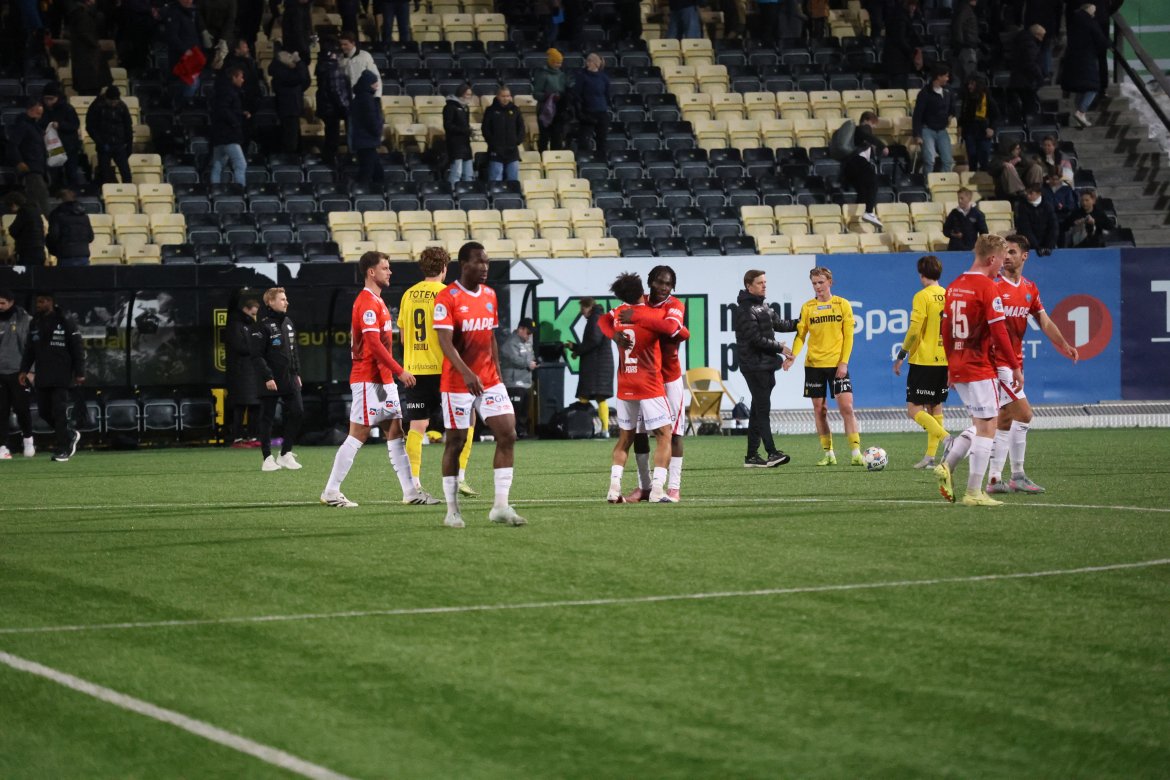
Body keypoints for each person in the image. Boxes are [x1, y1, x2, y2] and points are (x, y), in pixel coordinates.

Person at [321, 252, 438, 508]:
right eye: (385, 268)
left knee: (396, 432)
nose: (390, 271)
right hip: (368, 380)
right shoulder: (366, 302)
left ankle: (411, 492)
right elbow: (373, 344)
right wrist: (400, 370)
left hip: (383, 381)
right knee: (359, 434)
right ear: (371, 272)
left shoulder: (378, 301)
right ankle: (331, 491)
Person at [433, 242, 528, 528]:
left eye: (487, 262)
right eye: (479, 262)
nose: (485, 267)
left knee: (508, 433)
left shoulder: (489, 295)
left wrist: (496, 373)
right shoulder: (447, 297)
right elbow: (445, 342)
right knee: (456, 442)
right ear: (464, 265)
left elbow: (490, 337)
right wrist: (466, 373)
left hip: (488, 380)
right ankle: (452, 511)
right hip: (457, 382)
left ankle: (500, 506)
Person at [980, 234, 1079, 493]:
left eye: (1012, 252)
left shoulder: (1029, 289)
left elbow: (1044, 321)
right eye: (1004, 252)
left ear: (1025, 256)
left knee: (1004, 420)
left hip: (1014, 363)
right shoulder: (993, 286)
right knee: (1024, 414)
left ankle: (994, 480)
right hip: (996, 363)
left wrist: (1064, 344)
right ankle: (1017, 475)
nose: (1006, 257)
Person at [932, 234, 1022, 506]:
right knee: (987, 427)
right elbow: (1000, 333)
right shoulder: (987, 287)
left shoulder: (955, 285)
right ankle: (973, 492)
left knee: (980, 424)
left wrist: (950, 364)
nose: (1002, 266)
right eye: (1001, 260)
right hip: (980, 366)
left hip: (959, 365)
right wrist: (1015, 366)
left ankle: (948, 466)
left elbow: (945, 329)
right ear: (992, 258)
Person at [398, 246, 479, 499]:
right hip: (445, 370)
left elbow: (403, 338)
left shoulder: (408, 295)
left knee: (417, 426)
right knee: (467, 418)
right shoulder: (449, 294)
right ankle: (460, 477)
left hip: (415, 370)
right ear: (444, 268)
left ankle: (414, 486)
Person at [604, 265, 690, 500]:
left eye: (668, 284)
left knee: (673, 433)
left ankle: (673, 487)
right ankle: (646, 486)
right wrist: (614, 335)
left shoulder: (673, 305)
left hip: (668, 379)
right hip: (648, 380)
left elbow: (675, 329)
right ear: (649, 282)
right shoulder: (639, 302)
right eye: (659, 282)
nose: (663, 287)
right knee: (640, 434)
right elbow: (604, 321)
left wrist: (637, 318)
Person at [784, 267, 863, 466]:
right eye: (814, 283)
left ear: (830, 282)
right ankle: (828, 454)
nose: (817, 286)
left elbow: (849, 337)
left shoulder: (842, 304)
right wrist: (793, 356)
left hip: (837, 365)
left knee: (847, 407)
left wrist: (844, 362)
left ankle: (856, 453)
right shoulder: (808, 307)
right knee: (820, 410)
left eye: (821, 282)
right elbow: (801, 335)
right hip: (814, 365)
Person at [734, 270, 797, 468]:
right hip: (754, 366)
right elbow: (755, 339)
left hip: (765, 365)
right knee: (762, 411)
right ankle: (772, 453)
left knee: (757, 410)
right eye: (760, 283)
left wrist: (804, 320)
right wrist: (780, 347)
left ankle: (751, 456)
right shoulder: (745, 310)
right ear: (749, 286)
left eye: (765, 282)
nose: (764, 285)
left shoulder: (764, 306)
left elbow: (781, 324)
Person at [892, 256, 950, 469]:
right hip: (944, 359)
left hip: (924, 360)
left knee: (914, 409)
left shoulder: (922, 296)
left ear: (922, 274)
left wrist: (902, 354)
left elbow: (915, 329)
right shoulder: (949, 295)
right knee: (935, 406)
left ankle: (948, 440)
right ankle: (931, 457)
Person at [19, 292, 84, 462]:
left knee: (59, 411)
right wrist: (24, 370)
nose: (38, 305)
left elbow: (77, 347)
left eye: (41, 301)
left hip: (62, 373)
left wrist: (80, 371)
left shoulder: (65, 320)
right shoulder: (35, 322)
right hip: (43, 373)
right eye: (37, 302)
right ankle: (69, 435)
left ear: (50, 302)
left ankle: (63, 449)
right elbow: (29, 349)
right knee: (43, 411)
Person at [253, 287, 303, 472]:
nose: (286, 302)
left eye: (285, 298)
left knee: (297, 411)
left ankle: (285, 453)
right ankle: (267, 458)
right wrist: (267, 377)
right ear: (270, 302)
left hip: (289, 377)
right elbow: (257, 355)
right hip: (270, 379)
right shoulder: (262, 325)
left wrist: (296, 373)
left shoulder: (288, 322)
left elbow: (293, 350)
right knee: (267, 417)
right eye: (282, 299)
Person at [566, 297, 615, 437]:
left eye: (583, 308)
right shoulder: (599, 318)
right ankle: (602, 429)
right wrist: (575, 347)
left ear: (589, 307)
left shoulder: (595, 319)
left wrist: (577, 351)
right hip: (599, 366)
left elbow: (593, 341)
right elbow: (592, 342)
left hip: (596, 367)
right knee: (596, 397)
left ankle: (586, 428)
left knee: (589, 396)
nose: (581, 312)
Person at [0, 289, 36, 459]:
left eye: (2, 303)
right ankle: (2, 446)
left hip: (19, 372)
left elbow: (32, 348)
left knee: (22, 409)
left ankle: (28, 440)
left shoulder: (25, 320)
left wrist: (31, 371)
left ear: (11, 302)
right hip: (0, 372)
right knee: (1, 411)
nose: (0, 306)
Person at [225, 295, 264, 448]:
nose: (254, 316)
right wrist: (258, 347)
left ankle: (253, 437)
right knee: (240, 406)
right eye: (252, 313)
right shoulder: (235, 325)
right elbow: (239, 347)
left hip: (253, 372)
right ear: (245, 309)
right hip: (240, 372)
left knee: (255, 405)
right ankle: (237, 438)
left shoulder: (252, 325)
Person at [1063, 4, 1109, 128]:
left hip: (1073, 58)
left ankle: (1079, 117)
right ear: (1089, 10)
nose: (1094, 14)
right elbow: (1100, 39)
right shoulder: (1090, 22)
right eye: (1093, 11)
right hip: (1086, 58)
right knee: (1093, 86)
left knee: (1081, 87)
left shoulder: (1074, 21)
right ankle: (1081, 112)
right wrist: (1107, 44)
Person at [841, 111, 886, 229]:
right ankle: (869, 212)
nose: (873, 128)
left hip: (852, 165)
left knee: (863, 192)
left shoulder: (860, 135)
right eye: (873, 124)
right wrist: (882, 146)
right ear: (866, 120)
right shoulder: (862, 128)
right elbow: (868, 136)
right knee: (873, 182)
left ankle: (855, 223)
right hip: (857, 161)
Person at [6, 98, 51, 215]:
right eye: (37, 112)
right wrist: (19, 161)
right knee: (41, 197)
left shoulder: (35, 127)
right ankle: (49, 222)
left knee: (34, 199)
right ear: (30, 110)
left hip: (38, 167)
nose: (39, 116)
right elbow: (12, 145)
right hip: (30, 168)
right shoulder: (23, 125)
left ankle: (36, 221)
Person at [160, 0, 206, 107]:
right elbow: (172, 36)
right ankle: (181, 106)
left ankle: (184, 106)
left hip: (194, 55)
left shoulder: (194, 12)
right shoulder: (174, 12)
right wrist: (184, 50)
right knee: (192, 83)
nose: (189, 1)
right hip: (180, 58)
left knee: (195, 82)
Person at [39, 82, 85, 189]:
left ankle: (72, 194)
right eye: (46, 99)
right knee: (55, 175)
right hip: (53, 147)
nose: (48, 102)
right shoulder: (43, 109)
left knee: (71, 173)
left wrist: (60, 125)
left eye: (51, 99)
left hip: (69, 146)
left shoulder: (68, 108)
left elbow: (75, 125)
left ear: (57, 97)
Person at [912, 63, 955, 174]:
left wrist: (950, 116)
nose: (947, 79)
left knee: (947, 160)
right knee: (929, 161)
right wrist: (917, 134)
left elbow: (952, 108)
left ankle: (944, 182)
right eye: (946, 76)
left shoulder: (948, 90)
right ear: (939, 76)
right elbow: (917, 115)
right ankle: (928, 182)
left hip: (942, 130)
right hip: (927, 130)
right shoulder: (925, 93)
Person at [85, 86, 134, 185]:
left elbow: (128, 127)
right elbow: (90, 127)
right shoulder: (97, 106)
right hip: (104, 145)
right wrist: (100, 142)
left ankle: (128, 190)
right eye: (111, 101)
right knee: (104, 175)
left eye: (115, 101)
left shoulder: (122, 107)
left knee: (126, 173)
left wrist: (129, 145)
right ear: (106, 98)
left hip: (119, 145)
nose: (113, 104)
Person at [314, 36, 351, 165]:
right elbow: (336, 90)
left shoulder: (322, 65)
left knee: (330, 136)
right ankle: (334, 163)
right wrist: (346, 108)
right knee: (333, 137)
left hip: (325, 107)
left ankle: (329, 160)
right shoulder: (333, 68)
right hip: (333, 108)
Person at [500, 318, 538, 439]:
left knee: (524, 410)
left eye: (531, 333)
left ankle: (521, 431)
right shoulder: (511, 342)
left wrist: (533, 362)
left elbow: (532, 357)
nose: (529, 335)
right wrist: (528, 364)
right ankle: (511, 432)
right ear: (520, 329)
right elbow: (514, 359)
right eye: (528, 332)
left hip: (525, 382)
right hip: (513, 382)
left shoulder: (527, 343)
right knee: (515, 409)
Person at [210, 68, 249, 184]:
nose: (243, 80)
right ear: (234, 77)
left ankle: (215, 189)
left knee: (217, 166)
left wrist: (241, 113)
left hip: (219, 135)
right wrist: (236, 122)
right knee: (240, 164)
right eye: (241, 77)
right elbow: (224, 110)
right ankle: (240, 190)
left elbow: (226, 109)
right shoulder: (228, 92)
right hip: (229, 135)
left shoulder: (222, 91)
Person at [269, 49, 310, 154]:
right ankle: (289, 159)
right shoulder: (280, 72)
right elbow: (299, 78)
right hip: (288, 109)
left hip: (293, 108)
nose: (291, 57)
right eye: (287, 56)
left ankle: (295, 156)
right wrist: (299, 62)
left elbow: (305, 81)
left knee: (294, 137)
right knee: (290, 139)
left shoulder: (288, 71)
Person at [68, 0, 112, 96]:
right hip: (89, 61)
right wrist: (96, 45)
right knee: (90, 90)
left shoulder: (80, 13)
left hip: (87, 61)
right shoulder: (82, 14)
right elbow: (85, 34)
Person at [482, 86, 526, 182]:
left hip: (512, 151)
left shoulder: (515, 110)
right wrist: (492, 143)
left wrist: (517, 141)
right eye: (503, 96)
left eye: (508, 96)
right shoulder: (490, 110)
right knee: (495, 179)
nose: (506, 98)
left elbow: (521, 128)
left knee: (513, 179)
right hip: (496, 150)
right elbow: (485, 129)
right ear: (497, 96)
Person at [349, 70, 385, 184]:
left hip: (364, 140)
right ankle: (359, 191)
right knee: (367, 172)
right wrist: (378, 132)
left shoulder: (360, 97)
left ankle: (377, 190)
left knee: (377, 172)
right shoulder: (366, 99)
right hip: (366, 140)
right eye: (374, 83)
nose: (377, 85)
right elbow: (371, 120)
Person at [958, 74, 998, 172]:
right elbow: (963, 115)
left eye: (972, 84)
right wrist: (960, 127)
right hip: (969, 132)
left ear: (978, 85)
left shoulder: (988, 99)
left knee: (984, 159)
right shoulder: (967, 98)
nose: (969, 86)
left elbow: (996, 116)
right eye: (969, 84)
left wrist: (992, 128)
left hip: (983, 133)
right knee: (972, 158)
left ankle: (984, 179)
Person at [573, 53, 611, 153]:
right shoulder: (582, 76)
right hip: (587, 113)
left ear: (596, 63)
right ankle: (585, 158)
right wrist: (581, 111)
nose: (588, 63)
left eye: (591, 61)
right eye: (588, 61)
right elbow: (577, 94)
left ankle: (601, 159)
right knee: (584, 140)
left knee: (602, 140)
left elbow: (607, 94)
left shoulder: (604, 77)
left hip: (601, 112)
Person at [45, 190, 94, 267]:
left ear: (61, 199)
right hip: (83, 256)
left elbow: (53, 236)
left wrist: (53, 249)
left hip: (65, 256)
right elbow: (91, 237)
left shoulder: (56, 214)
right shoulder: (83, 215)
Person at [533, 48, 569, 152]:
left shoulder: (562, 75)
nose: (558, 65)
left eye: (560, 63)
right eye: (556, 62)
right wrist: (548, 96)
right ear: (551, 62)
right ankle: (542, 156)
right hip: (544, 110)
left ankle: (555, 158)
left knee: (557, 137)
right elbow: (536, 94)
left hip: (559, 110)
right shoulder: (542, 74)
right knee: (544, 137)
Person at [1009, 24, 1045, 121]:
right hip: (1025, 80)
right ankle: (1028, 122)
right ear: (1036, 35)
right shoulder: (1030, 45)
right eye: (1041, 36)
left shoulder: (1021, 41)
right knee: (1030, 106)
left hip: (1018, 79)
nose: (1042, 39)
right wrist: (1039, 77)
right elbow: (1030, 63)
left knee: (1027, 104)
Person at [1014, 183, 1059, 255]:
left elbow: (1053, 227)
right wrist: (1036, 247)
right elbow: (1026, 228)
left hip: (1046, 242)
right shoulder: (1022, 206)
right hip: (1029, 244)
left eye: (1031, 193)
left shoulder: (1048, 205)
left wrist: (1049, 246)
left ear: (1039, 193)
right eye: (1026, 192)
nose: (1027, 195)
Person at [443, 84, 475, 184]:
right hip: (455, 144)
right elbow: (448, 125)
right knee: (457, 172)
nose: (469, 97)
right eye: (467, 94)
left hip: (465, 143)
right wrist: (464, 130)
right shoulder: (450, 107)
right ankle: (453, 189)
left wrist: (468, 131)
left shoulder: (466, 108)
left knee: (469, 173)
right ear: (461, 94)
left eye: (470, 95)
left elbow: (466, 125)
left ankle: (468, 191)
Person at [4, 193, 46, 267]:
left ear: (14, 204)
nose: (10, 209)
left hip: (28, 251)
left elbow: (13, 230)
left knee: (25, 273)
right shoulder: (35, 211)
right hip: (40, 249)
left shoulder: (23, 212)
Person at [943, 187, 988, 251]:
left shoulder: (978, 214)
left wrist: (978, 247)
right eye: (958, 198)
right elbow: (945, 230)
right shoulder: (953, 213)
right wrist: (953, 234)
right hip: (954, 250)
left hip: (971, 250)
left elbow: (984, 234)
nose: (959, 201)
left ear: (969, 198)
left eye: (962, 198)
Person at [339, 31, 381, 98]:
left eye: (345, 44)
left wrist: (377, 97)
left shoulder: (365, 56)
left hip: (364, 98)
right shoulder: (340, 59)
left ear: (353, 43)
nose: (342, 47)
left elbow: (376, 77)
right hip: (348, 98)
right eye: (341, 44)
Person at [951, 0, 980, 85]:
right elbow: (958, 26)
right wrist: (961, 42)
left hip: (967, 46)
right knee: (969, 77)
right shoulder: (965, 9)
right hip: (967, 47)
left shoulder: (965, 9)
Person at [280, 0, 313, 64]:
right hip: (297, 50)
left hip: (298, 48)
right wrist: (305, 50)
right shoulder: (295, 10)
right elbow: (298, 32)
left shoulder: (303, 7)